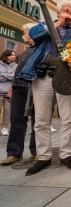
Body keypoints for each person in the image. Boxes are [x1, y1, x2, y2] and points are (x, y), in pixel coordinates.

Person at [17, 0, 71, 176]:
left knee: (68, 118)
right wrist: (58, 23)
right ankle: (44, 156)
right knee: (41, 119)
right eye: (65, 10)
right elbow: (33, 36)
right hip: (42, 75)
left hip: (66, 78)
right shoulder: (45, 24)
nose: (69, 13)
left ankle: (66, 154)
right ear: (58, 11)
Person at [1, 23, 37, 165]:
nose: (22, 35)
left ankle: (36, 152)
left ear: (33, 33)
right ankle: (14, 153)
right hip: (18, 87)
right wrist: (11, 88)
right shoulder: (26, 51)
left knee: (37, 121)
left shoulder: (40, 48)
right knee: (16, 119)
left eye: (24, 32)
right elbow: (17, 72)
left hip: (33, 88)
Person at [0, 50, 17, 136]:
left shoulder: (16, 66)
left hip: (9, 92)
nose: (14, 56)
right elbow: (11, 77)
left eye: (15, 55)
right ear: (7, 56)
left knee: (7, 111)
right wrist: (9, 75)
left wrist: (3, 74)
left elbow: (15, 77)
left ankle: (4, 128)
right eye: (12, 55)